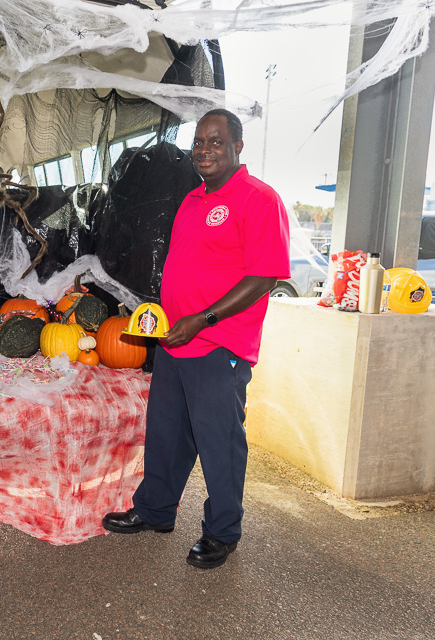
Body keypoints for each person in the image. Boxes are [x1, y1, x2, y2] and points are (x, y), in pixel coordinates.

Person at [102, 109, 290, 569]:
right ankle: (156, 511)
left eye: (216, 142)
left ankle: (222, 532)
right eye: (200, 142)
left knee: (219, 442)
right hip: (175, 339)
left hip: (218, 342)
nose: (205, 150)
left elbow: (264, 277)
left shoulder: (259, 199)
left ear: (237, 147)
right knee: (166, 434)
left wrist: (203, 318)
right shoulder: (191, 200)